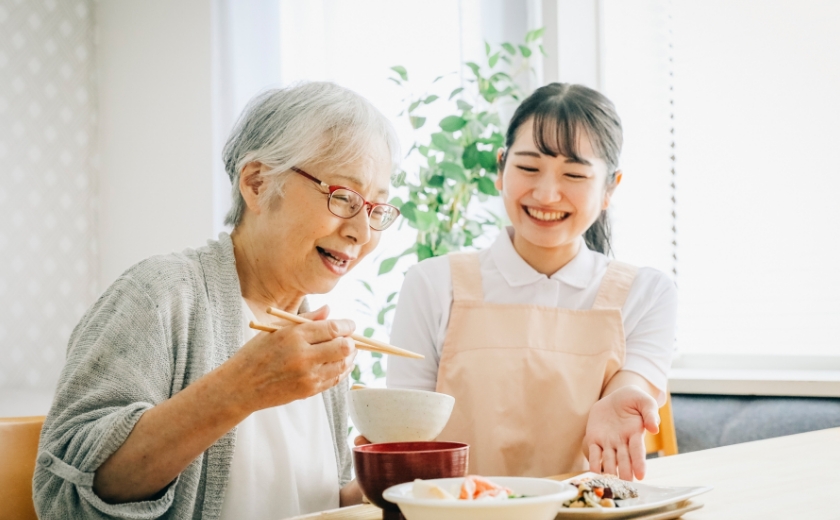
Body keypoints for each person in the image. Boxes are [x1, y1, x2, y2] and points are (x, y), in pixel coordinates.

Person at [34, 82, 401, 520]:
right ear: (257, 183)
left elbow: (310, 500)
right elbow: (64, 493)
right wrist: (241, 389)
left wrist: (380, 487)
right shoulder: (161, 294)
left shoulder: (315, 337)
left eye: (378, 209)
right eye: (343, 197)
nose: (362, 232)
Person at [386, 83, 676, 481]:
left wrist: (622, 399)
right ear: (500, 168)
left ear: (611, 187)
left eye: (574, 174)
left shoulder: (648, 292)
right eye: (527, 167)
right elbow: (407, 436)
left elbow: (632, 383)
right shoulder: (432, 284)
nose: (546, 193)